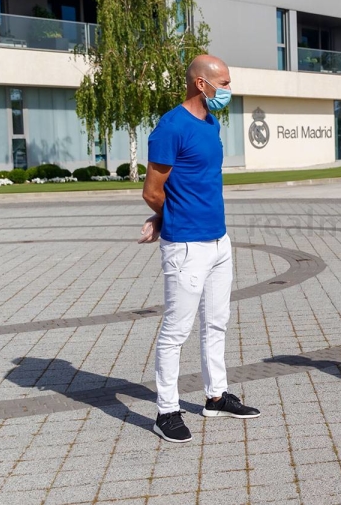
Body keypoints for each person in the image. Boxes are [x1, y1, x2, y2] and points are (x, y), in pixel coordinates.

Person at [139, 54, 260, 443]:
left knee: (216, 322)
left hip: (219, 240)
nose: (228, 90)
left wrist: (164, 216)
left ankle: (215, 397)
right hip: (187, 246)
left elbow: (195, 183)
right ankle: (167, 411)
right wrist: (168, 218)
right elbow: (152, 191)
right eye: (223, 83)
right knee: (176, 330)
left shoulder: (211, 123)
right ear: (200, 84)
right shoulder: (171, 127)